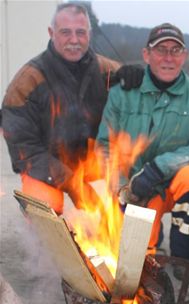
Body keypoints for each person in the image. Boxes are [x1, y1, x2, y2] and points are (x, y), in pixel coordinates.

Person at [96, 23, 189, 280]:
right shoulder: (121, 93)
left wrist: (158, 168)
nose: (168, 58)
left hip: (170, 185)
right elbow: (104, 147)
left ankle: (182, 254)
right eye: (161, 50)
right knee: (136, 261)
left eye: (175, 50)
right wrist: (120, 190)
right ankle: (151, 237)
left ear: (184, 56)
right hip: (134, 191)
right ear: (146, 54)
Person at [1, 3, 143, 215]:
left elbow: (148, 87)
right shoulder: (27, 82)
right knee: (43, 202)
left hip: (91, 162)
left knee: (120, 194)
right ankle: (44, 243)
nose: (74, 40)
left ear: (89, 34)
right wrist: (74, 185)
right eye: (65, 32)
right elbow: (25, 151)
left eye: (80, 32)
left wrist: (137, 74)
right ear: (51, 33)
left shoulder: (105, 69)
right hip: (47, 165)